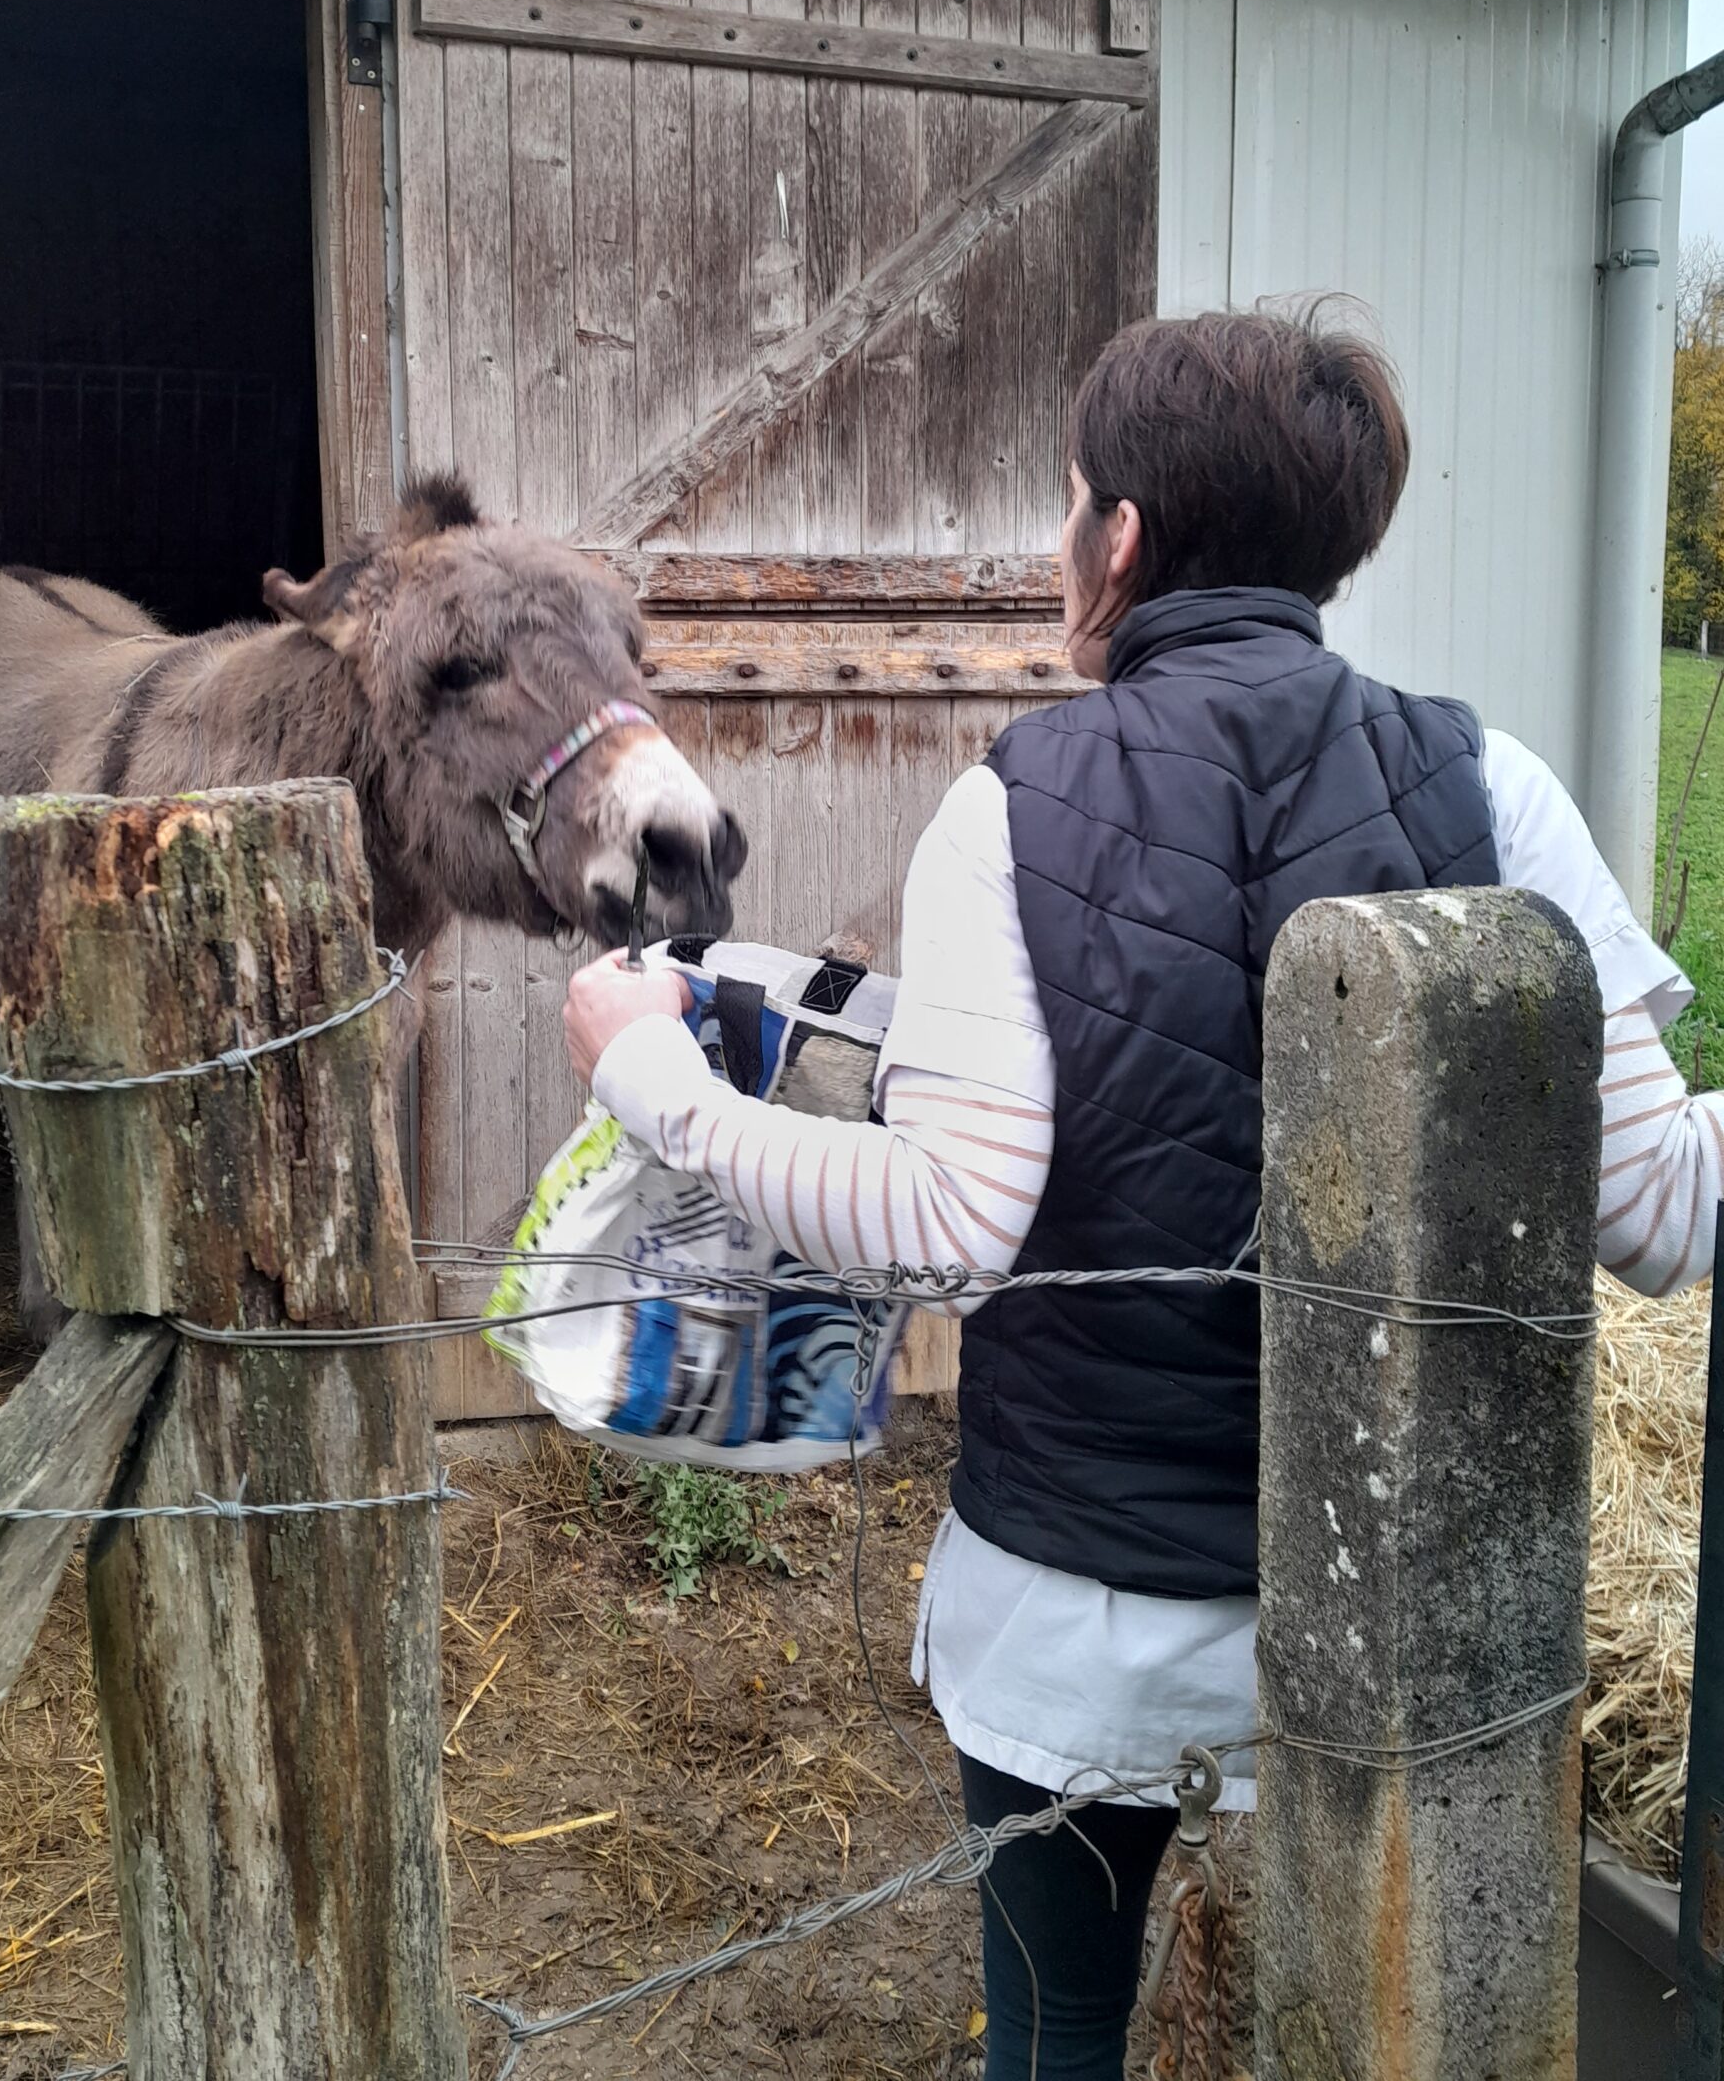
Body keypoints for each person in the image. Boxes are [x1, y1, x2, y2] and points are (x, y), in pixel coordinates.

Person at [562, 310, 1718, 2081]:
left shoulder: (1016, 802)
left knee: (1057, 2033)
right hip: (1399, 1620)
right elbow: (1659, 1210)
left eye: (1071, 508)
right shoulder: (1494, 786)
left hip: (1083, 1626)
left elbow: (950, 1218)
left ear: (1120, 540)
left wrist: (648, 1073)